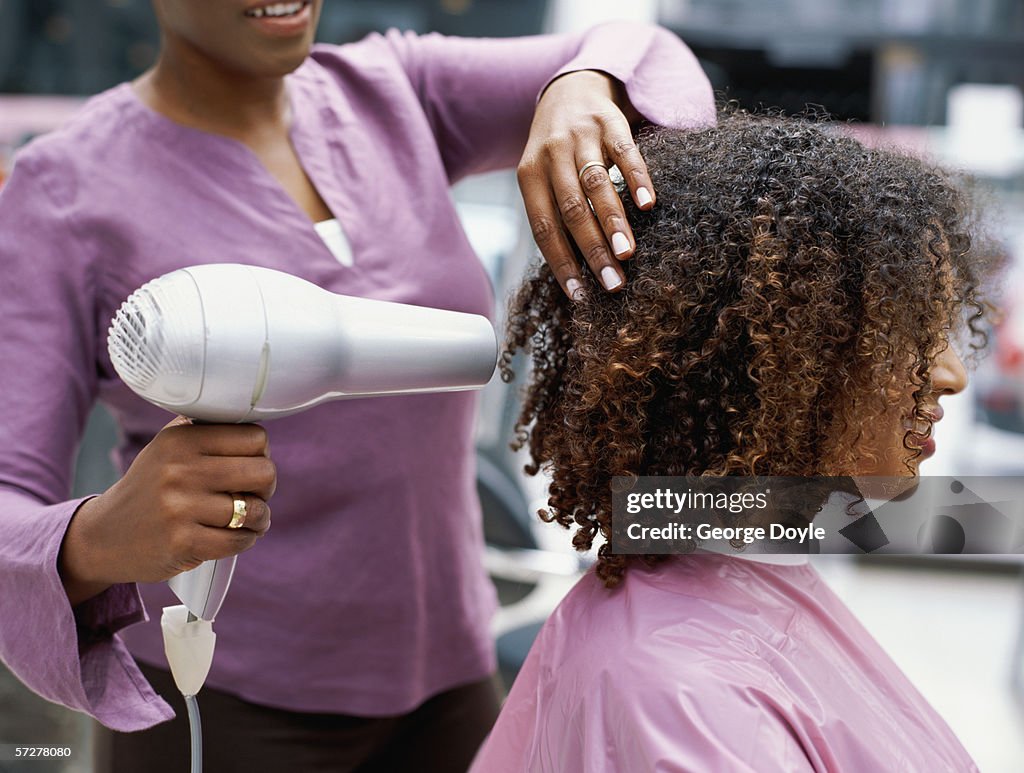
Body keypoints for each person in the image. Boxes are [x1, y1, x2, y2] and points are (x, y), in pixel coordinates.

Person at [0, 1, 715, 771]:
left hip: (451, 679)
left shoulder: (394, 89)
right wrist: (101, 534)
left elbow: (653, 55)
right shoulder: (63, 191)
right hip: (228, 703)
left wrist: (581, 86)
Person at [471, 113, 997, 771]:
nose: (950, 373)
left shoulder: (737, 579)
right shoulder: (698, 703)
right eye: (910, 333)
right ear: (777, 358)